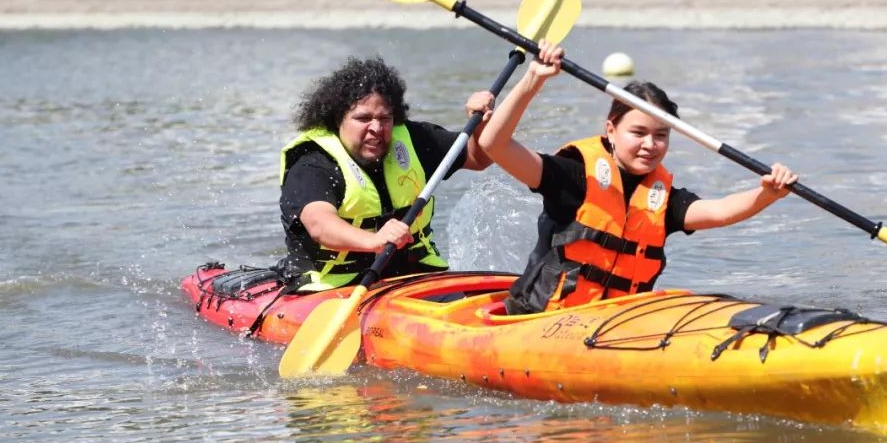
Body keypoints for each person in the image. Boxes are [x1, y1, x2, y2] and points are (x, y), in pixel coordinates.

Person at [479, 41, 799, 315]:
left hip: (614, 325)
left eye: (661, 135)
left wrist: (767, 193)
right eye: (638, 132)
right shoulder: (575, 174)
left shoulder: (662, 197)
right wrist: (532, 81)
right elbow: (494, 144)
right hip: (535, 320)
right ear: (611, 130)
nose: (650, 144)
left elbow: (720, 211)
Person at [278, 56, 494, 291]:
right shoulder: (312, 162)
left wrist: (482, 121)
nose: (376, 129)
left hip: (414, 278)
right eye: (363, 118)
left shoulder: (414, 140)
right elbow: (320, 224)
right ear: (337, 118)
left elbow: (480, 157)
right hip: (335, 289)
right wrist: (373, 240)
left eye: (384, 118)